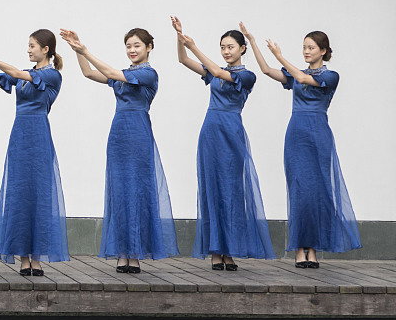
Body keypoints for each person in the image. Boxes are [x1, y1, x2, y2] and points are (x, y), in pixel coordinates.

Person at [59, 27, 178, 273]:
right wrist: (77, 50)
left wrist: (86, 50)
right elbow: (88, 73)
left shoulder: (148, 73)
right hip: (118, 135)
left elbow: (112, 73)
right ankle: (123, 253)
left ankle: (135, 254)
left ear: (149, 47)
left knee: (137, 192)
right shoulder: (124, 73)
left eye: (137, 45)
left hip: (138, 133)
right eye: (128, 46)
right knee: (120, 193)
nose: (132, 50)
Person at [247, 24, 360, 267]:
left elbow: (302, 78)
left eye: (311, 48)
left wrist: (280, 56)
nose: (306, 51)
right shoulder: (295, 73)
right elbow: (266, 70)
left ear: (323, 51)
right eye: (304, 47)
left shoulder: (331, 76)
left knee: (318, 192)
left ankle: (314, 249)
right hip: (296, 134)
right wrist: (253, 42)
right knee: (299, 189)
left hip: (318, 134)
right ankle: (299, 248)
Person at [171, 17, 274, 269]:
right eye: (222, 47)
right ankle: (216, 251)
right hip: (210, 131)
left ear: (242, 49)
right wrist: (180, 37)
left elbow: (218, 72)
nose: (226, 51)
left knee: (232, 190)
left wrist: (194, 46)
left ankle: (230, 250)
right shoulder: (214, 70)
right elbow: (183, 60)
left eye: (230, 47)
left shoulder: (247, 76)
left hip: (231, 130)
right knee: (212, 188)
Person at [0, 29, 70, 275]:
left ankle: (36, 257)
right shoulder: (25, 75)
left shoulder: (52, 75)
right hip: (19, 136)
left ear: (46, 49)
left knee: (38, 194)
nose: (28, 50)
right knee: (19, 194)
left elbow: (16, 74)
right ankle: (23, 257)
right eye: (28, 45)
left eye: (32, 46)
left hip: (38, 135)